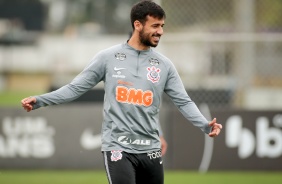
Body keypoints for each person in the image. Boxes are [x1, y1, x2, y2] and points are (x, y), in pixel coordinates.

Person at [21, 1, 222, 183]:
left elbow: (184, 102)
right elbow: (74, 89)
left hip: (151, 150)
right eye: (155, 26)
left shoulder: (164, 65)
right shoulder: (107, 58)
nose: (160, 31)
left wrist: (205, 125)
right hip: (118, 147)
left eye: (162, 26)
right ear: (137, 25)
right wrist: (40, 100)